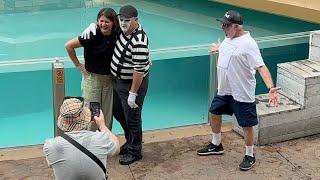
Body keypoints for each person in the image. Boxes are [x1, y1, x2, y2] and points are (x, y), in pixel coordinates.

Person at [197, 10, 279, 171]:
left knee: (246, 125)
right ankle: (216, 144)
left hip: (241, 93)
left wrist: (271, 88)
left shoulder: (249, 44)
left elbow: (261, 67)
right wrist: (218, 48)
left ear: (236, 26)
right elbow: (229, 47)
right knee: (214, 113)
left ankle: (250, 154)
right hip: (224, 90)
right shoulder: (229, 38)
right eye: (222, 24)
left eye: (226, 25)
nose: (222, 27)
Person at [82, 4, 150, 165]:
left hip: (132, 84)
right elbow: (107, 26)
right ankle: (130, 141)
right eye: (122, 19)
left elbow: (139, 71)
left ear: (135, 20)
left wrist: (133, 93)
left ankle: (135, 151)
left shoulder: (139, 40)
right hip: (119, 82)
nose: (124, 22)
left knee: (133, 117)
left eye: (128, 20)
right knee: (120, 113)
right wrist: (94, 25)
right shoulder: (122, 30)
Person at [65, 8, 119, 131]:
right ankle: (90, 142)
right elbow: (68, 46)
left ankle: (105, 140)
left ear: (113, 23)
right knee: (91, 113)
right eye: (101, 21)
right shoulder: (91, 34)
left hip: (109, 79)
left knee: (107, 113)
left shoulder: (117, 34)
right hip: (92, 79)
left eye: (107, 22)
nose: (103, 24)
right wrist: (78, 65)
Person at [43, 97, 120, 179]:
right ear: (87, 118)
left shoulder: (51, 145)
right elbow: (117, 147)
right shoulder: (101, 139)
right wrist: (102, 125)